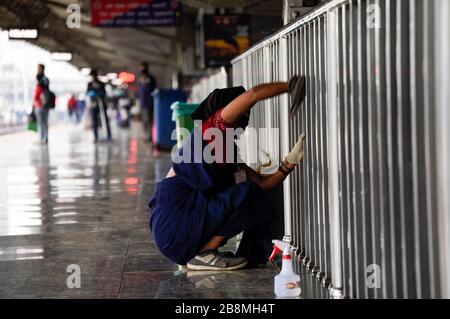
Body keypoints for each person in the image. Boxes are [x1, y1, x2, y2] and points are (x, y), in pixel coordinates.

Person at [149, 76, 306, 271]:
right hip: (175, 224)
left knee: (251, 195)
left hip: (177, 228)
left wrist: (288, 163)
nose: (246, 119)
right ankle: (204, 253)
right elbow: (253, 95)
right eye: (244, 113)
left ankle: (204, 251)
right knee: (245, 194)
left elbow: (262, 185)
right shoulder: (212, 130)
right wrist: (290, 86)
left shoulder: (227, 153)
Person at [87, 69, 112, 142]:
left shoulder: (101, 83)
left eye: (93, 75)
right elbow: (88, 93)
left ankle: (108, 135)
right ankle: (96, 136)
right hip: (94, 104)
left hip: (101, 103)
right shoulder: (90, 84)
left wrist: (100, 94)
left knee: (105, 119)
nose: (92, 77)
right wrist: (93, 94)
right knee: (94, 121)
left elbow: (104, 92)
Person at [139, 62, 157, 143]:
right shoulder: (141, 78)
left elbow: (152, 90)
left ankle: (150, 136)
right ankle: (146, 135)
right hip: (143, 103)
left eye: (143, 67)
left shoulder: (150, 78)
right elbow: (140, 91)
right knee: (144, 121)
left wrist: (144, 83)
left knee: (149, 120)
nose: (142, 69)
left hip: (149, 102)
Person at [33, 64, 50, 145]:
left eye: (39, 69)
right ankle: (41, 137)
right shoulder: (37, 79)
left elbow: (45, 89)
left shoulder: (45, 79)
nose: (38, 70)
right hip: (37, 104)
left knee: (44, 122)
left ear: (43, 69)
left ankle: (45, 138)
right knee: (40, 122)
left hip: (44, 104)